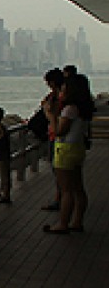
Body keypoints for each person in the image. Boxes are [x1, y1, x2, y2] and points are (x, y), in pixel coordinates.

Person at [44, 73, 94, 234]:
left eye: (64, 90)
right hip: (77, 148)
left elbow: (59, 131)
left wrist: (51, 116)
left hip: (65, 150)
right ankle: (77, 221)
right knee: (78, 188)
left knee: (66, 190)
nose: (61, 92)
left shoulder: (69, 110)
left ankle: (63, 223)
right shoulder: (84, 108)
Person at [40, 68, 66, 211]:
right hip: (55, 135)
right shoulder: (60, 96)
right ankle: (61, 197)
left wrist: (47, 110)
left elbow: (52, 114)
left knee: (59, 171)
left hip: (56, 136)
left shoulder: (58, 98)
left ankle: (60, 199)